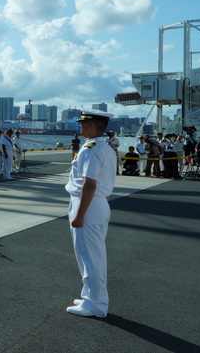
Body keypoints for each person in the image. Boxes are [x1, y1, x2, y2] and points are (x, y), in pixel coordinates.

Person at [65, 109, 116, 318]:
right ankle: (91, 296)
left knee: (89, 257)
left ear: (92, 125)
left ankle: (96, 304)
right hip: (98, 205)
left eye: (83, 123)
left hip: (87, 206)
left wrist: (80, 215)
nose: (80, 126)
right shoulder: (106, 148)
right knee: (95, 256)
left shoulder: (90, 149)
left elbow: (89, 184)